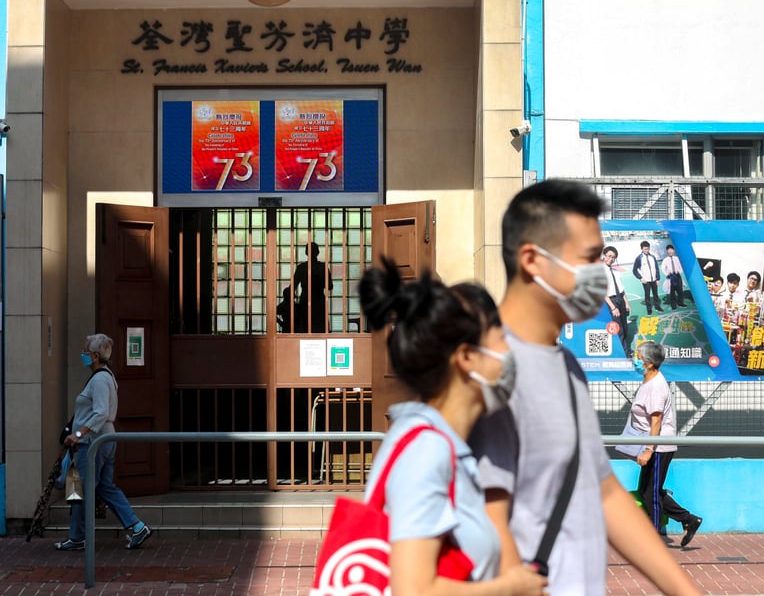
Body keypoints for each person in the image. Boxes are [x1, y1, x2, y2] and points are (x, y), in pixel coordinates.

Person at [469, 179, 702, 596]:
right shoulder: (487, 368)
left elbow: (604, 491)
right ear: (532, 260)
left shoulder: (565, 365)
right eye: (590, 259)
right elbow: (487, 513)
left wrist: (685, 591)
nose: (602, 275)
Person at [358, 262, 546, 596]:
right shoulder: (426, 451)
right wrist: (508, 587)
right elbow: (413, 591)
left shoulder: (446, 446)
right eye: (502, 338)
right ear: (467, 358)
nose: (511, 353)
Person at [55, 334, 152, 551]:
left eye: (86, 351)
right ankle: (136, 526)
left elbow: (100, 412)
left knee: (79, 489)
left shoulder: (99, 379)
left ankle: (78, 536)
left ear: (96, 356)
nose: (84, 354)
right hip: (105, 441)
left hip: (93, 443)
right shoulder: (106, 377)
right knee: (105, 486)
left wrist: (78, 435)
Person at [628, 340, 703, 547]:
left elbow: (656, 420)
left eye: (638, 357)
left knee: (651, 492)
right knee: (647, 490)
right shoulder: (649, 381)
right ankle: (688, 519)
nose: (634, 360)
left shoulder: (655, 386)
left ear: (650, 363)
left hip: (658, 447)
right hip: (652, 444)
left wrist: (649, 450)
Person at [293, 241, 332, 333]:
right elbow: (329, 286)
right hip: (318, 300)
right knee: (320, 329)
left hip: (305, 300)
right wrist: (320, 280)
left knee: (305, 329)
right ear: (318, 252)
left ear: (306, 252)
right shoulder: (322, 267)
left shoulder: (301, 268)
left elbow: (293, 286)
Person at [603, 246, 632, 354]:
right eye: (609, 256)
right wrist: (613, 307)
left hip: (620, 299)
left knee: (625, 325)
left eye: (613, 257)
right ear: (604, 255)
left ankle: (625, 349)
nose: (611, 259)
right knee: (618, 328)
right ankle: (625, 353)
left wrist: (627, 303)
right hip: (612, 301)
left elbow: (621, 288)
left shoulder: (615, 271)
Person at [632, 241, 664, 315]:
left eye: (648, 249)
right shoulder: (639, 258)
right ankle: (649, 309)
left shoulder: (652, 257)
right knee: (647, 295)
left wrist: (658, 279)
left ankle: (657, 307)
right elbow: (634, 270)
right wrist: (641, 278)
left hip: (654, 280)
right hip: (646, 281)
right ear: (642, 249)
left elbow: (656, 268)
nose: (646, 250)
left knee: (655, 294)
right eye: (645, 249)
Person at [660, 244, 687, 309]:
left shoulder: (677, 258)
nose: (670, 251)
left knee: (680, 291)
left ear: (674, 250)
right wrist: (667, 273)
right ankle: (673, 305)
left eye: (671, 250)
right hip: (671, 277)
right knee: (672, 292)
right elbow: (662, 268)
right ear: (667, 251)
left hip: (677, 276)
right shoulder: (665, 259)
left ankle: (681, 303)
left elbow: (681, 267)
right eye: (668, 250)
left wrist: (679, 271)